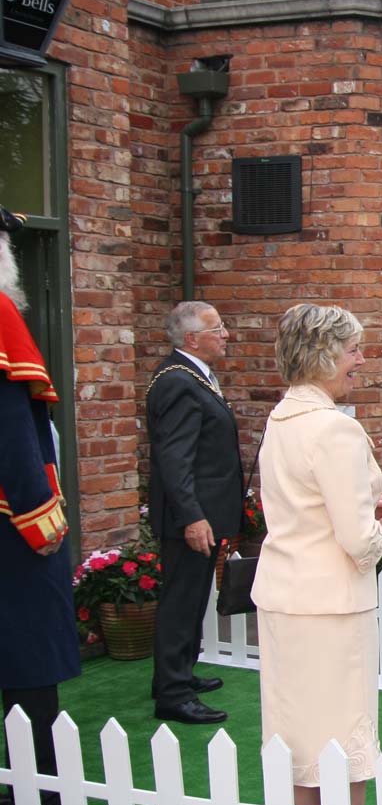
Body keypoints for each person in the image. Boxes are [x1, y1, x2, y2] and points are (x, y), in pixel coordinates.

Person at [251, 304, 382, 805]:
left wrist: (366, 511)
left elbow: (306, 507)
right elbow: (357, 542)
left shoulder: (280, 419)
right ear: (323, 356)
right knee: (344, 742)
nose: (360, 361)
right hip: (332, 607)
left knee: (298, 740)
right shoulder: (335, 429)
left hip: (284, 599)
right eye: (352, 351)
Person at [0, 207, 111, 805]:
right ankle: (39, 803)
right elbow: (13, 432)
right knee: (28, 668)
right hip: (10, 534)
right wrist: (40, 517)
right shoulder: (0, 314)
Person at [147, 300, 243, 725]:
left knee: (193, 597)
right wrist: (192, 516)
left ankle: (179, 673)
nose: (225, 335)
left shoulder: (192, 375)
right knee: (181, 601)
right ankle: (172, 692)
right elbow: (174, 458)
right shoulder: (178, 382)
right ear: (191, 338)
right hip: (191, 515)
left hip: (205, 510)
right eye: (216, 328)